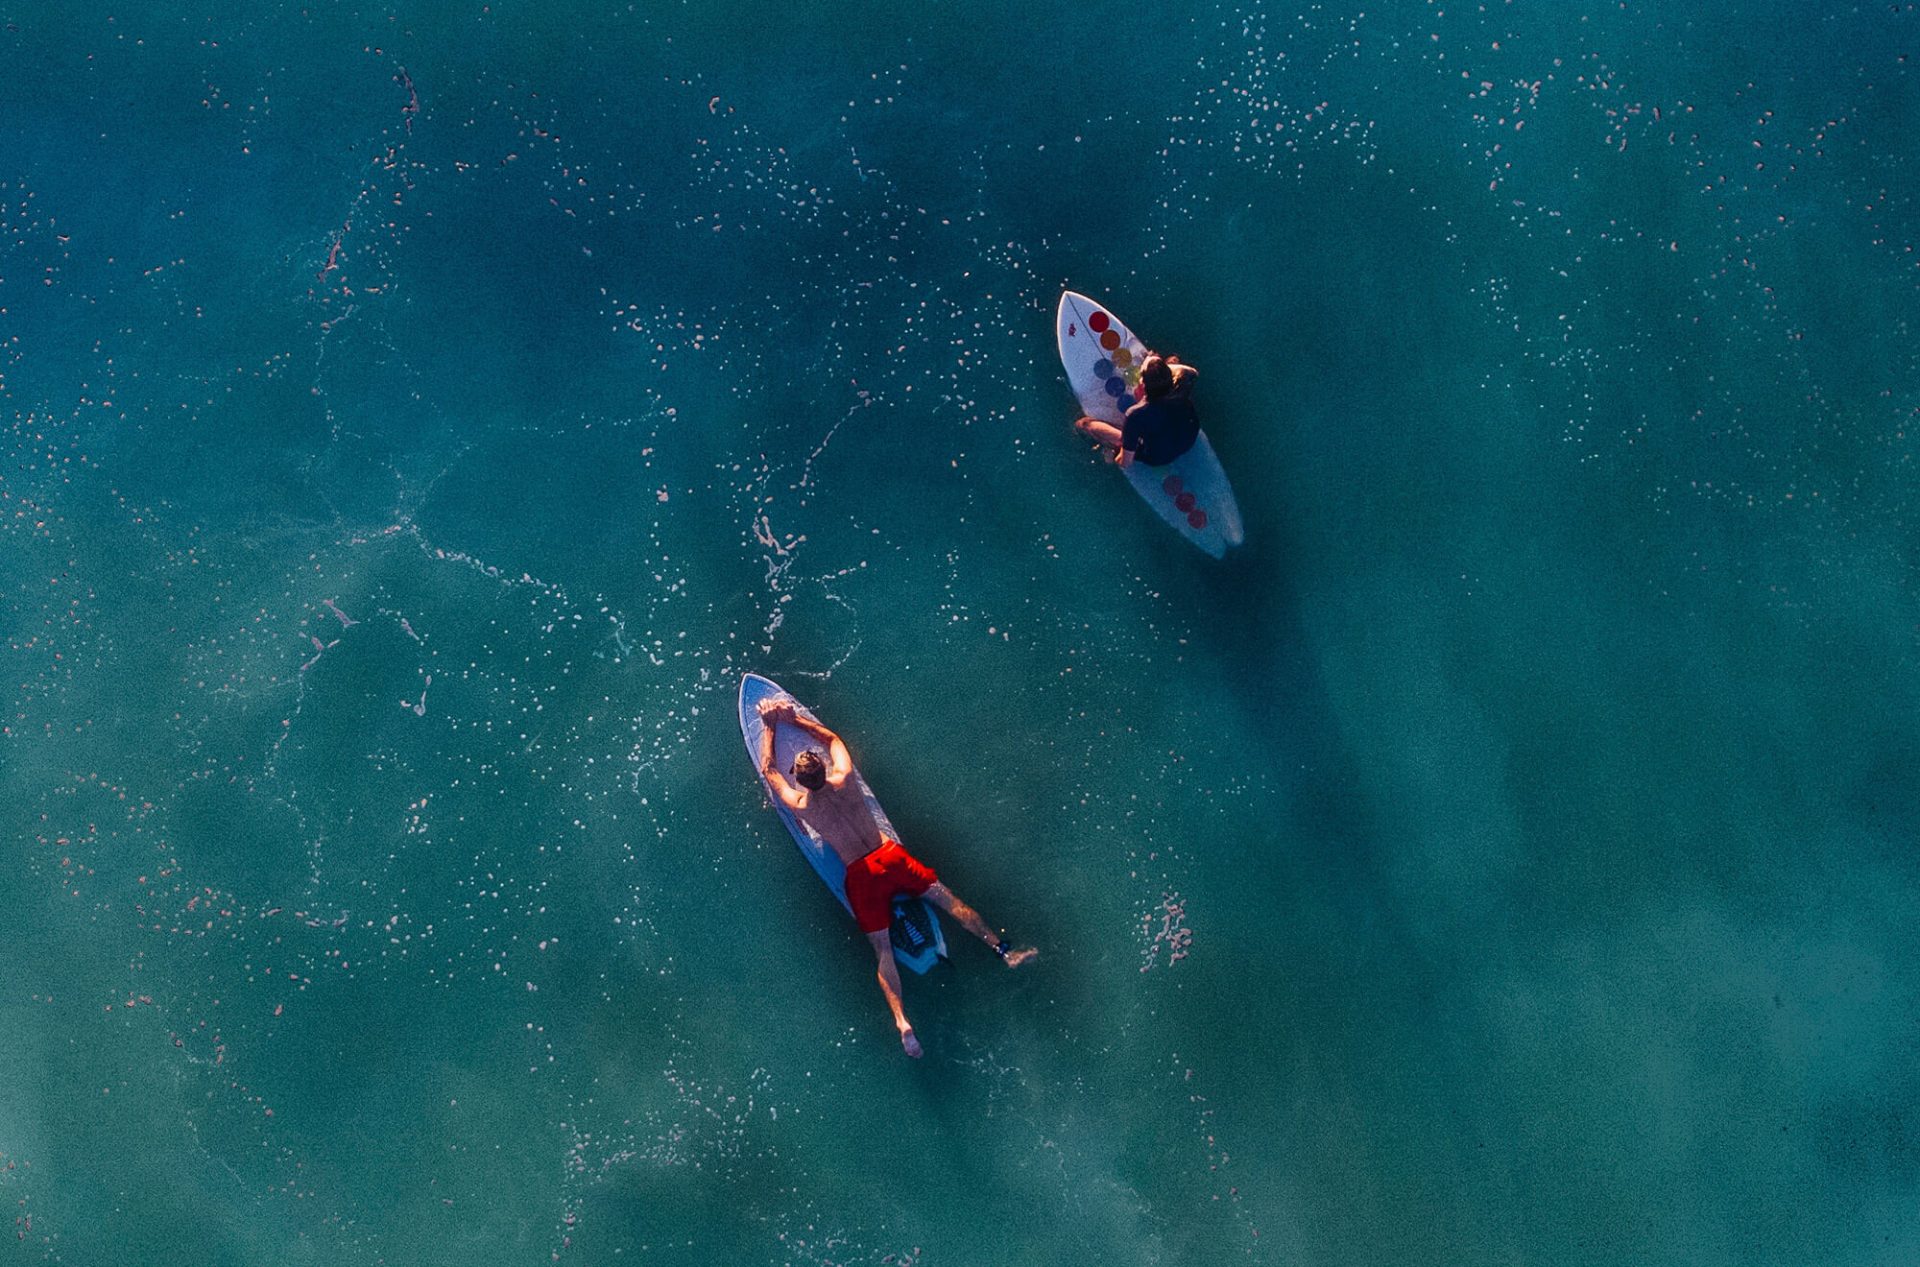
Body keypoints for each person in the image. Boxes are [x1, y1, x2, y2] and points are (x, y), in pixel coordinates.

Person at [757, 697, 1037, 1058]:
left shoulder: (802, 805)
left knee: (883, 948)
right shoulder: (844, 779)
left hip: (860, 874)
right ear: (824, 770)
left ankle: (903, 1023)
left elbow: (768, 771)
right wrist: (795, 720)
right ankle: (1002, 950)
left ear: (801, 780)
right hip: (891, 857)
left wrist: (769, 725)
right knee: (947, 899)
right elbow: (832, 739)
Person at [1073, 353, 1199, 468]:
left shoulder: (1136, 414)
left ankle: (1102, 442)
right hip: (1188, 440)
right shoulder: (1182, 386)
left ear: (1142, 383)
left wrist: (1118, 457)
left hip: (1158, 456)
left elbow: (1125, 463)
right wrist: (1155, 363)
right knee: (1172, 360)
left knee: (1084, 424)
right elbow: (1190, 371)